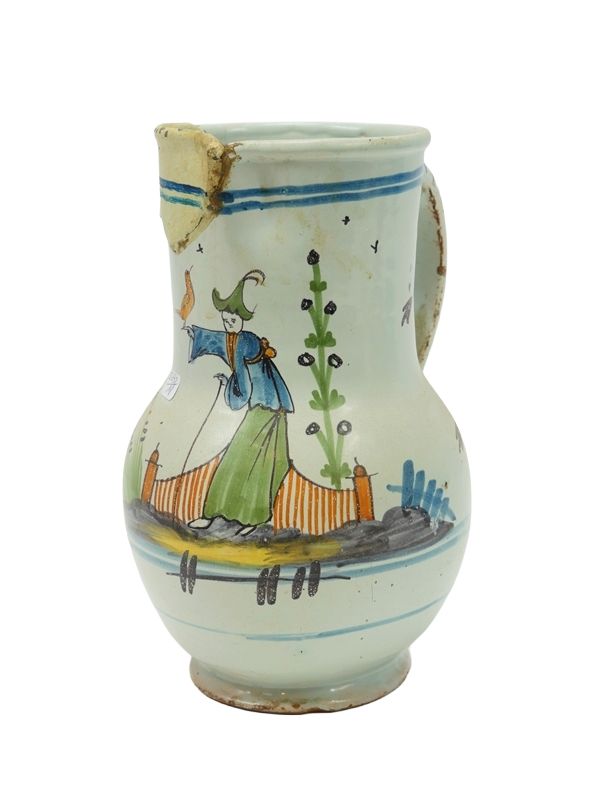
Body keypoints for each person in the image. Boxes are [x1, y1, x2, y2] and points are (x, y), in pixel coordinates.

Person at [184, 270, 293, 536]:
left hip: (267, 406)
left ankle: (252, 517)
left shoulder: (246, 341)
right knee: (244, 457)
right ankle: (215, 514)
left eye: (232, 319)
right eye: (225, 319)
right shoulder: (237, 338)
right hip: (263, 406)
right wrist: (195, 332)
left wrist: (229, 391)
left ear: (242, 319)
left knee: (257, 460)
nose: (228, 324)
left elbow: (243, 386)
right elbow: (221, 342)